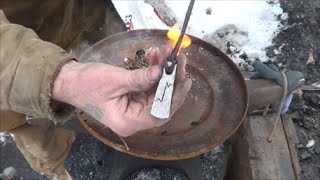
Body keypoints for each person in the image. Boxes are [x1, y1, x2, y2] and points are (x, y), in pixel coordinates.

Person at [0, 0, 192, 179]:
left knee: (115, 69)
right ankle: (62, 168)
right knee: (40, 129)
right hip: (14, 61)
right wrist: (64, 80)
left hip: (82, 13)